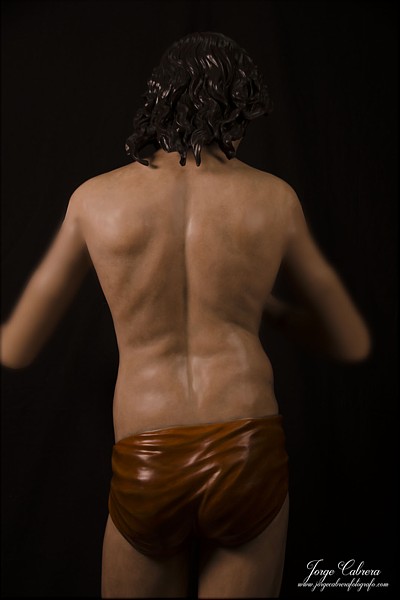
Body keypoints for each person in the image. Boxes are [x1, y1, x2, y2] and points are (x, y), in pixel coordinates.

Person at [0, 31, 371, 598]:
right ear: (235, 107)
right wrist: (268, 311)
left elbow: (16, 346)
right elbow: (350, 340)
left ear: (161, 99)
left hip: (147, 451)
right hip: (247, 446)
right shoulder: (276, 197)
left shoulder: (94, 200)